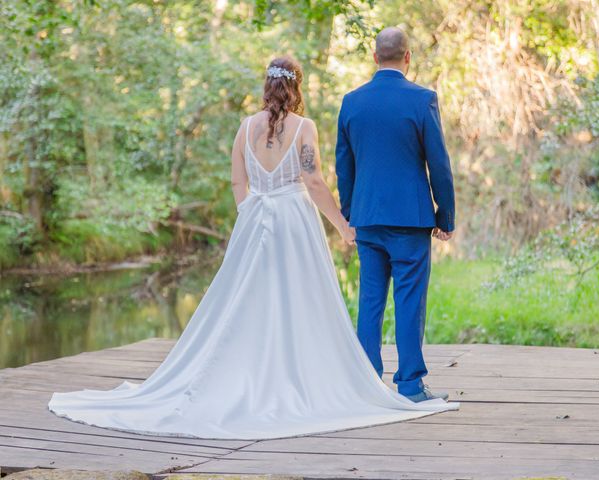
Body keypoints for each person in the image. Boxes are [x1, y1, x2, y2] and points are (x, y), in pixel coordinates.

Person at [47, 55, 458, 441]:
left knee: (249, 302)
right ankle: (353, 380)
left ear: (267, 86)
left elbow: (237, 182)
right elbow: (313, 181)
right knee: (301, 301)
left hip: (255, 222)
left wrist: (253, 214)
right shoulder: (303, 128)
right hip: (295, 224)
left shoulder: (245, 127)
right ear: (296, 88)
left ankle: (254, 373)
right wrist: (342, 226)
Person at [335, 27, 456, 402]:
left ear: (375, 57)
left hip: (367, 217)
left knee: (370, 299)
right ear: (407, 57)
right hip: (410, 218)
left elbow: (344, 164)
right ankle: (410, 385)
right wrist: (445, 215)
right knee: (409, 300)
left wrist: (351, 212)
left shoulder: (352, 102)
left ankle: (367, 385)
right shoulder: (422, 100)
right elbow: (439, 163)